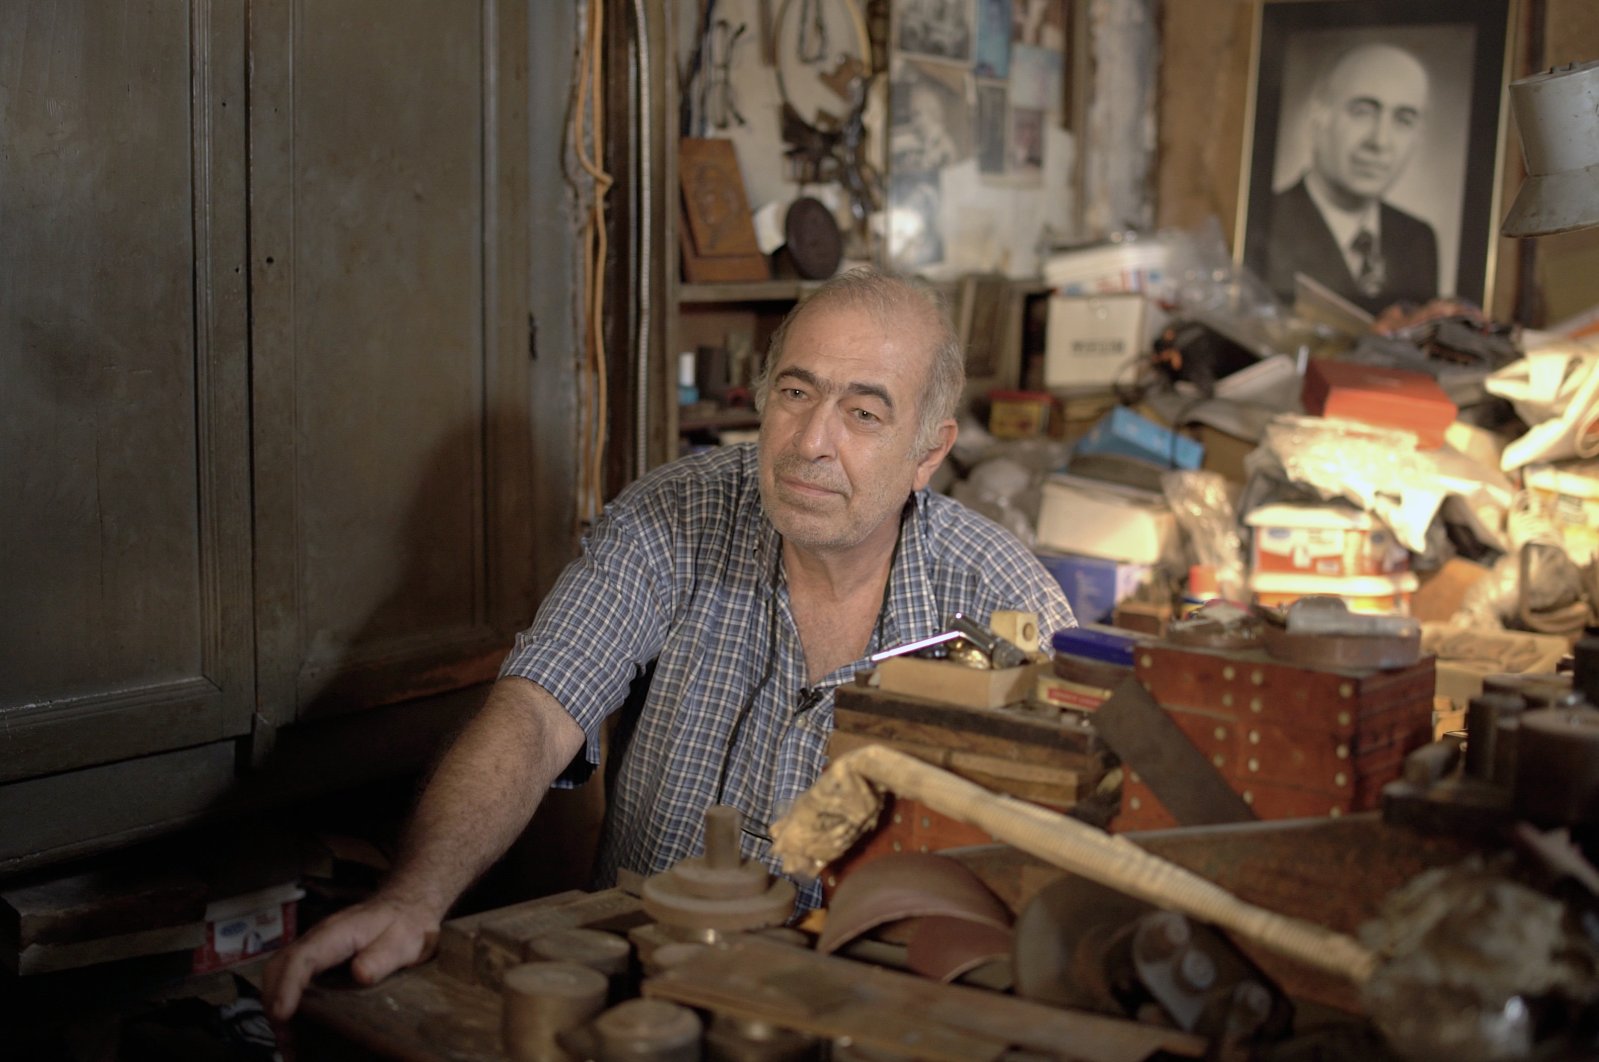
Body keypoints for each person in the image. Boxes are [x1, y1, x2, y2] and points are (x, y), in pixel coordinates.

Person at [262, 268, 1076, 1020]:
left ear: (928, 451)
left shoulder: (1002, 608)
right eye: (796, 391)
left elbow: (1058, 874)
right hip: (637, 991)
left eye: (863, 413)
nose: (811, 442)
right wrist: (414, 898)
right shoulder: (675, 517)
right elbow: (539, 710)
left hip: (856, 1017)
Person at [1260, 41, 1440, 314]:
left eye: (1403, 120)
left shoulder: (1417, 239)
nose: (1380, 141)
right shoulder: (1264, 220)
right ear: (1319, 116)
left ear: (1419, 135)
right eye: (1362, 112)